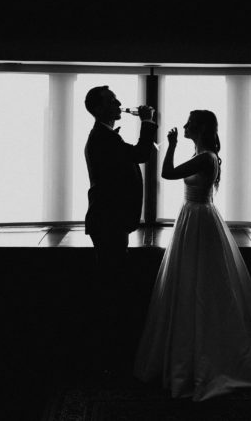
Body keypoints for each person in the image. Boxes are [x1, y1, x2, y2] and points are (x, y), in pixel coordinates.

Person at [134, 110, 251, 401]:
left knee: (201, 287)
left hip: (197, 220)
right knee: (194, 285)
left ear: (199, 128)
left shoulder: (206, 156)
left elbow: (167, 173)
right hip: (194, 218)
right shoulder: (205, 155)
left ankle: (208, 364)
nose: (183, 126)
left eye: (188, 123)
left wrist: (171, 145)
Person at [83, 85, 157, 371]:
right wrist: (148, 122)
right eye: (113, 101)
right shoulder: (102, 138)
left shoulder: (104, 136)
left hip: (110, 221)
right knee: (112, 285)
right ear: (100, 108)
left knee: (111, 281)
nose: (120, 104)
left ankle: (111, 351)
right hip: (108, 222)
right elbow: (140, 154)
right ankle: (111, 354)